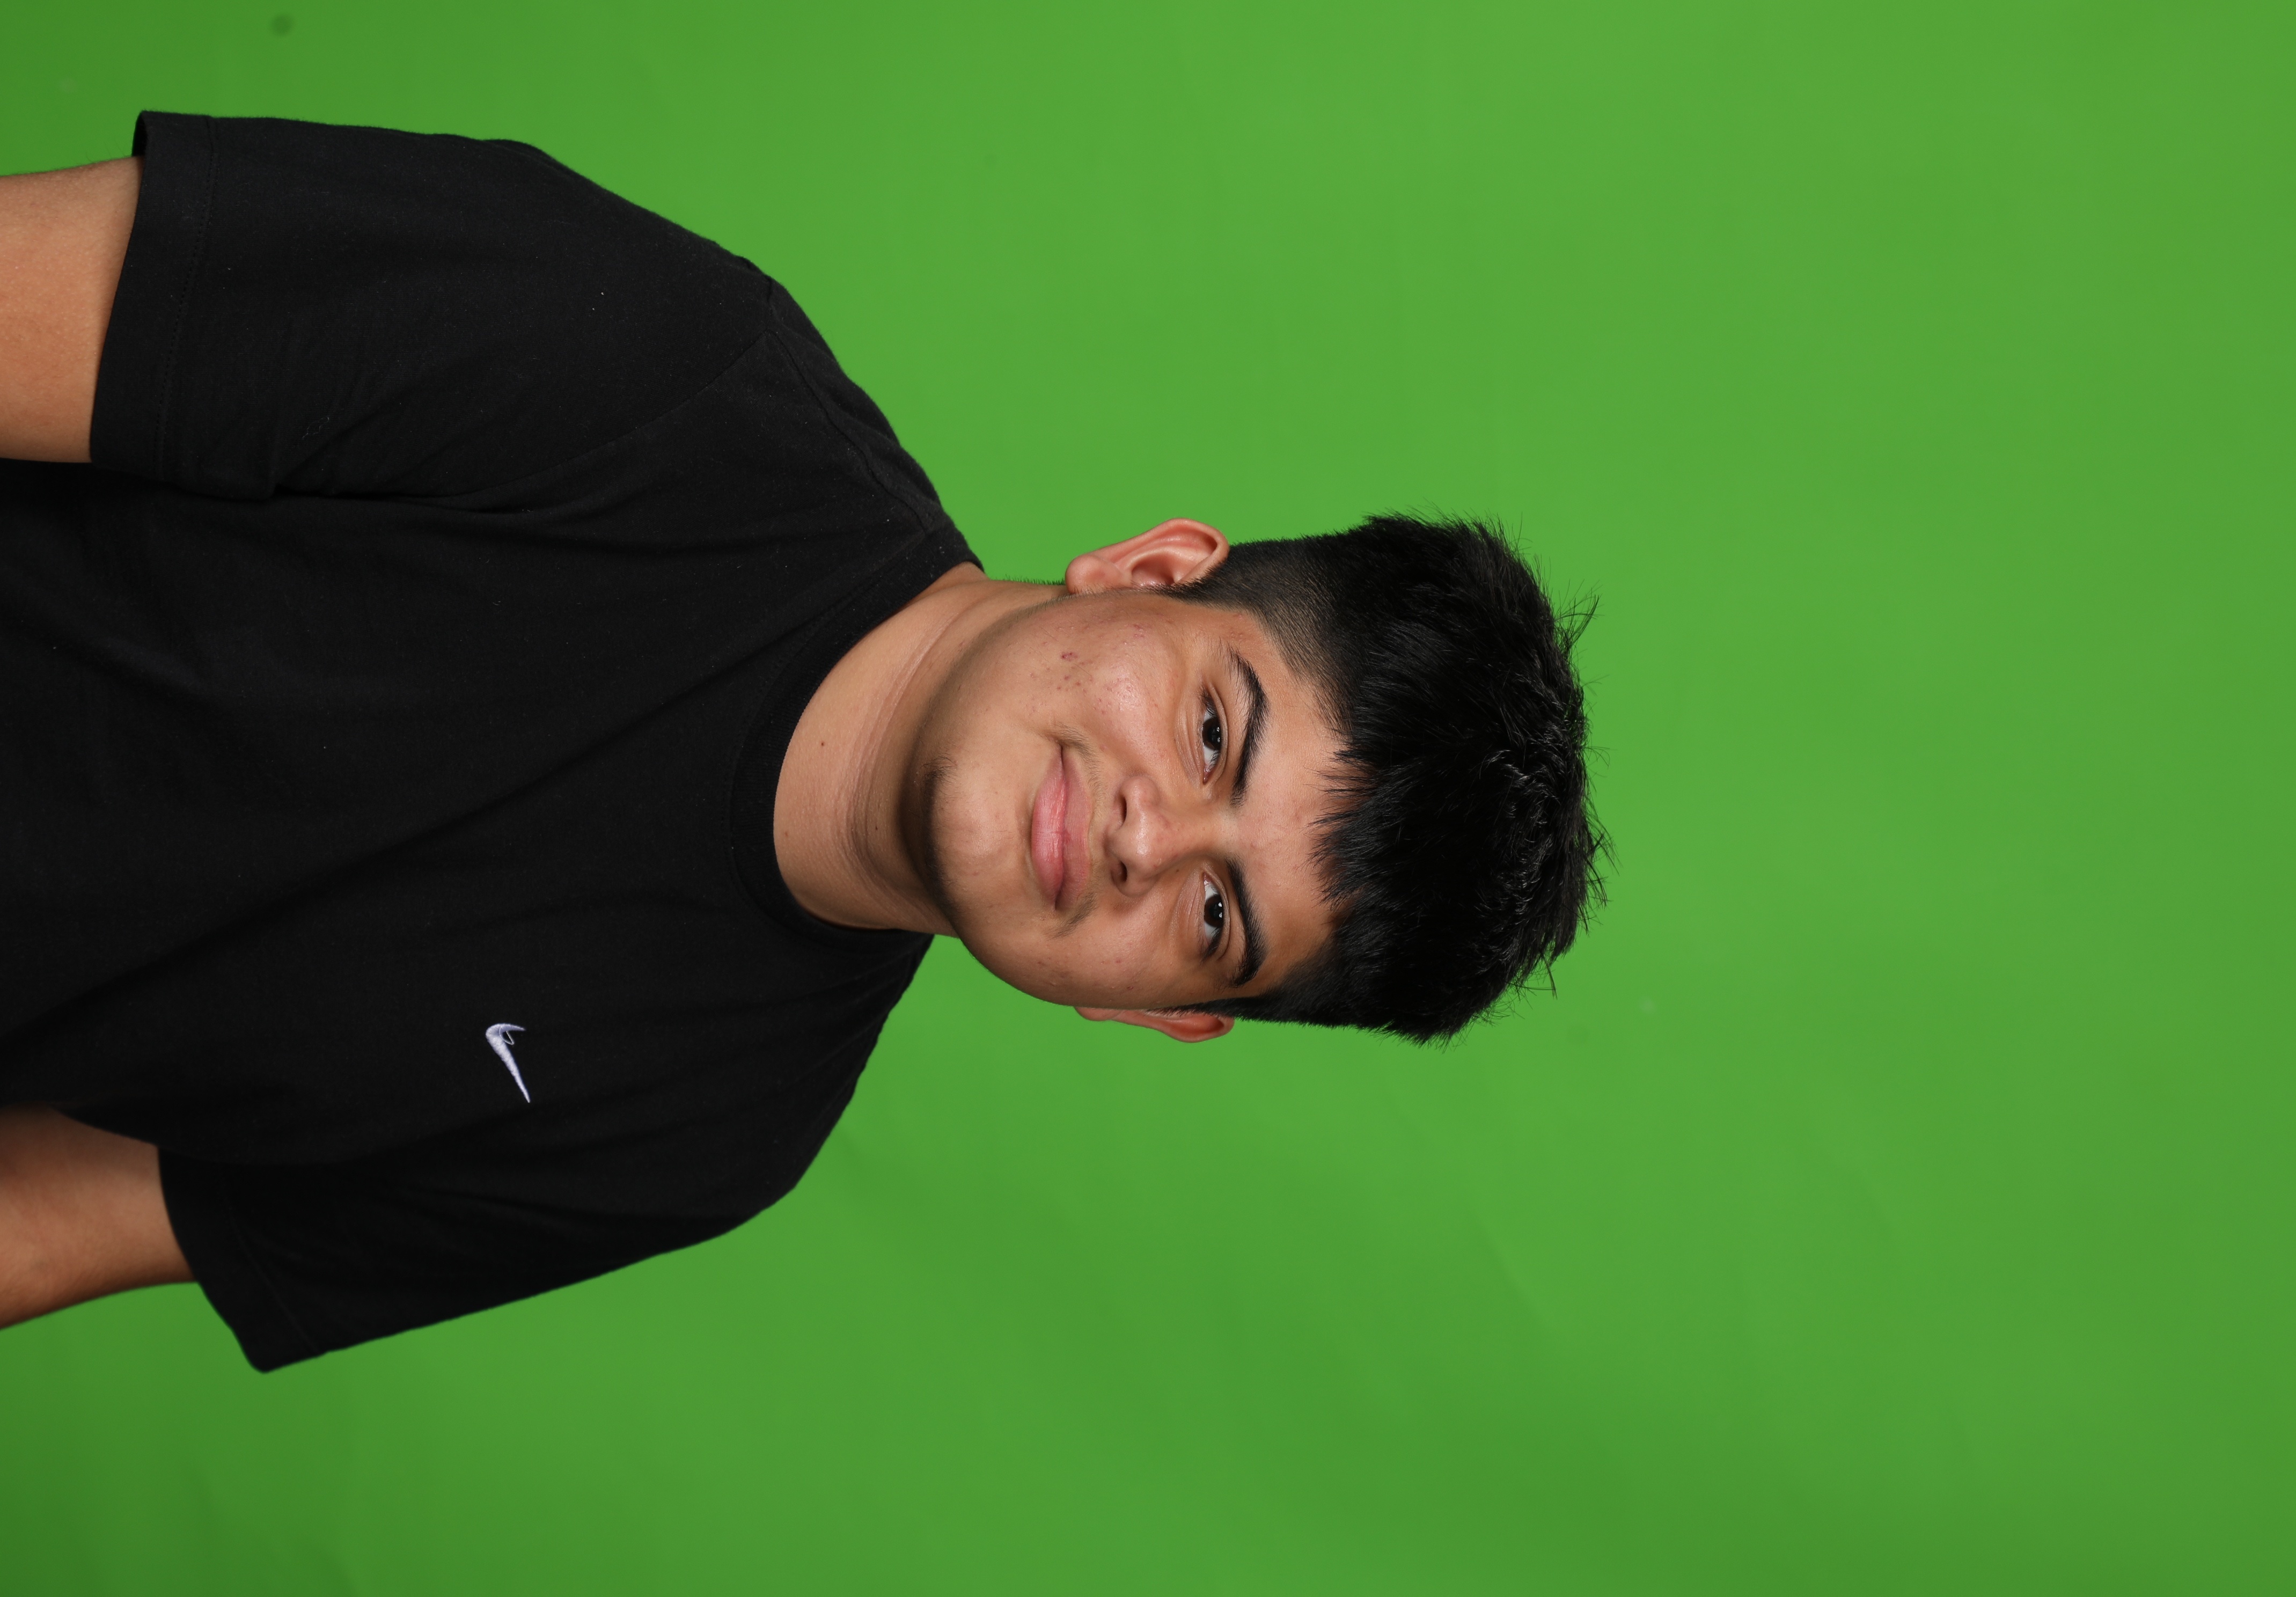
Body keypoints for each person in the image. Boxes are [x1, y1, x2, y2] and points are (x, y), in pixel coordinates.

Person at [0, 113, 1603, 1369]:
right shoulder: (650, 364)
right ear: (1152, 569)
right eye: (1208, 734)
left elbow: (48, 1221)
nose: (1146, 839)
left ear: (1164, 1016)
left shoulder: (707, 1140)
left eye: (1213, 914)